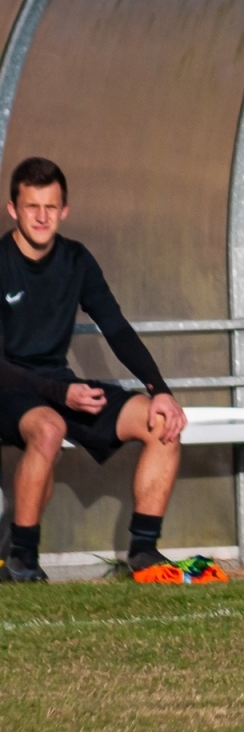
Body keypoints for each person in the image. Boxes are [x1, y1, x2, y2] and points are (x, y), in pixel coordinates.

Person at [0, 157, 198, 584]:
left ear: (64, 210)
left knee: (162, 420)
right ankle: (22, 560)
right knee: (50, 428)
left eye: (50, 207)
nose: (41, 217)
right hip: (9, 388)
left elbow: (117, 328)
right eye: (32, 206)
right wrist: (59, 394)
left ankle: (144, 554)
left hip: (58, 384)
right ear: (13, 209)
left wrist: (160, 388)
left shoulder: (76, 259)